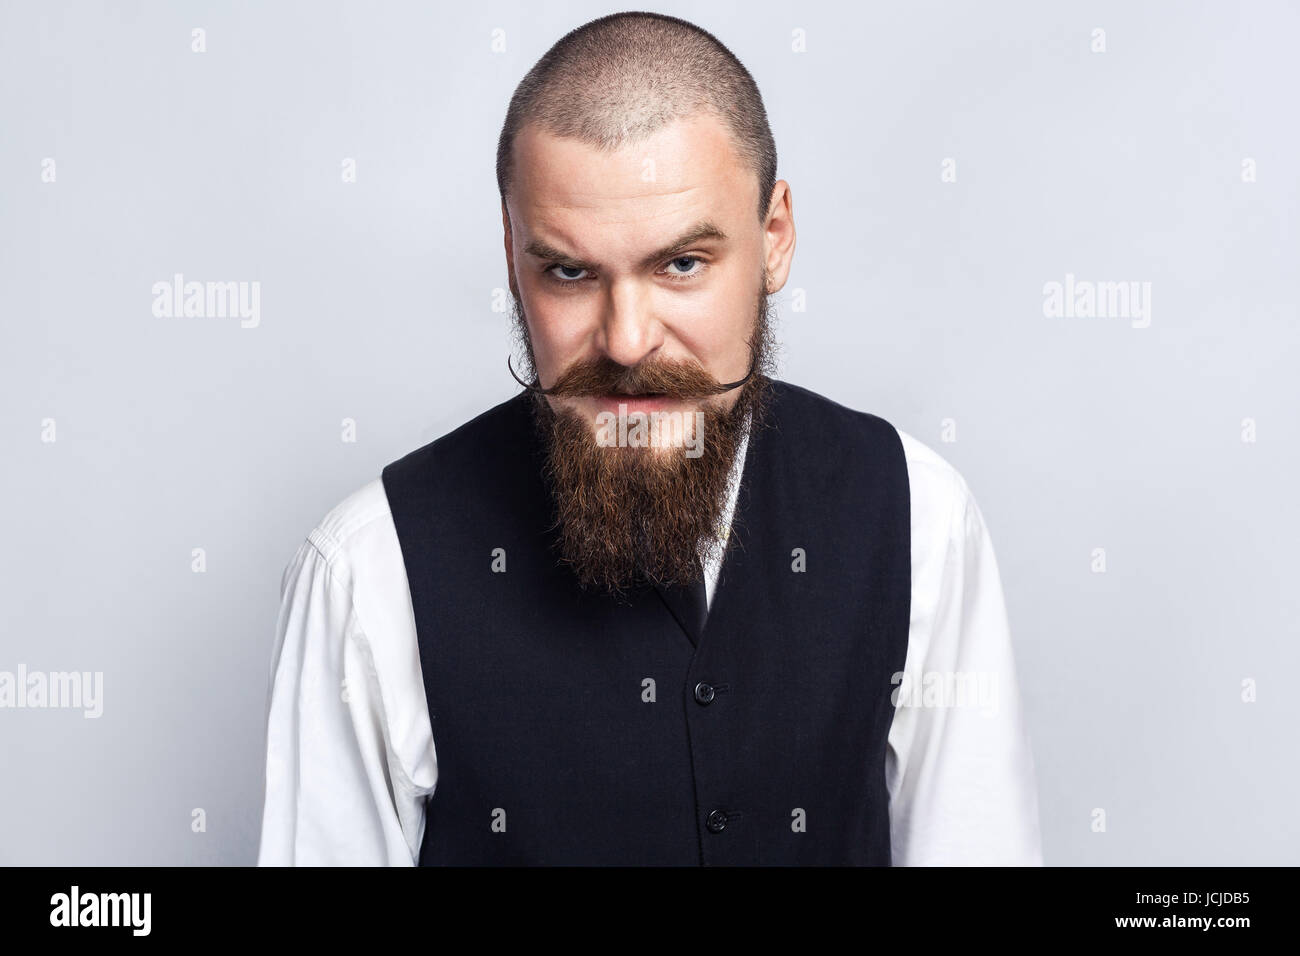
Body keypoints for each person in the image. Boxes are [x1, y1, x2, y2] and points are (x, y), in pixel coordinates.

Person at [256, 11, 1042, 866]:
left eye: (682, 265)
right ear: (512, 258)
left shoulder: (921, 519)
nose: (628, 344)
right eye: (568, 271)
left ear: (773, 239)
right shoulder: (367, 571)